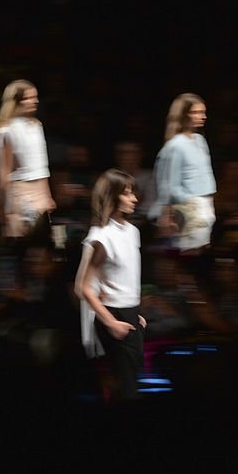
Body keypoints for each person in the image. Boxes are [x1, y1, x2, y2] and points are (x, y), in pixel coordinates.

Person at [75, 169, 146, 402]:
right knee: (126, 388)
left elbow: (124, 277)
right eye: (127, 194)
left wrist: (136, 313)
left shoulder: (132, 232)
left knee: (131, 381)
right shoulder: (102, 236)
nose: (134, 198)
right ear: (113, 196)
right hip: (115, 316)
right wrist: (111, 322)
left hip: (130, 313)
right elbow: (83, 287)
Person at [149, 93, 217, 253]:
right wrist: (170, 211)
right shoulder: (176, 145)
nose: (203, 116)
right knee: (191, 251)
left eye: (203, 112)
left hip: (205, 203)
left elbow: (205, 172)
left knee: (202, 249)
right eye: (196, 112)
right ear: (184, 115)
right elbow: (169, 182)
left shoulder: (200, 140)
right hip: (188, 205)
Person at [0, 80, 55, 239]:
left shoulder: (36, 126)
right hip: (20, 194)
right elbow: (4, 172)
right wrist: (2, 206)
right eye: (29, 98)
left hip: (39, 193)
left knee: (43, 241)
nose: (35, 101)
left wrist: (47, 195)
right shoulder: (6, 131)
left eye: (36, 97)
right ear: (16, 102)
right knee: (23, 242)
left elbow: (41, 166)